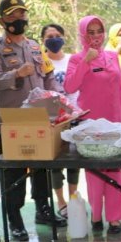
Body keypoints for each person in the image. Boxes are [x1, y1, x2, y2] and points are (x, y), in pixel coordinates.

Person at [0, 0, 67, 242]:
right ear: (2, 21)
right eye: (12, 16)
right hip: (13, 122)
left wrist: (60, 98)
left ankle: (43, 209)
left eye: (22, 15)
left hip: (40, 119)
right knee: (14, 173)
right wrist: (16, 73)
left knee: (41, 169)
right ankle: (15, 220)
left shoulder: (35, 47)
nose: (19, 20)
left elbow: (49, 76)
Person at [65, 16, 121, 234]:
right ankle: (95, 216)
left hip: (114, 122)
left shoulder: (112, 57)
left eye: (99, 31)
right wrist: (86, 62)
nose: (95, 37)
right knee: (94, 172)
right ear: (83, 35)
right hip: (91, 125)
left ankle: (114, 218)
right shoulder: (76, 59)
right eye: (90, 32)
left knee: (115, 169)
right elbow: (70, 86)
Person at [40, 24, 80, 218]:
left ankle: (73, 198)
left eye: (57, 35)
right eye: (49, 36)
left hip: (74, 115)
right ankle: (61, 201)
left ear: (64, 38)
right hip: (52, 118)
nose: (54, 39)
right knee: (55, 163)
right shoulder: (40, 61)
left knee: (74, 161)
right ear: (43, 40)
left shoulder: (73, 59)